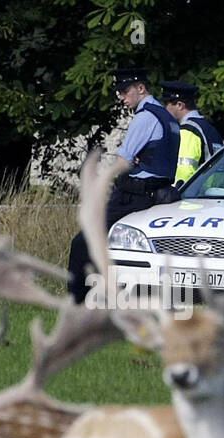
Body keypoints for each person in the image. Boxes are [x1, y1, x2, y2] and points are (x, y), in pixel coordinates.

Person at [67, 68, 180, 303]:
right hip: (159, 193)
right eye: (119, 91)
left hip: (134, 194)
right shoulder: (167, 117)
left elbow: (123, 161)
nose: (121, 96)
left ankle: (77, 299)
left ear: (141, 88)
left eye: (125, 90)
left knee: (82, 241)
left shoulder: (145, 117)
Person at [159, 81, 224, 187]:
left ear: (179, 105)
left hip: (194, 198)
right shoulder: (209, 128)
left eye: (167, 104)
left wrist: (176, 191)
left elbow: (184, 172)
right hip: (214, 194)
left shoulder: (188, 131)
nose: (165, 109)